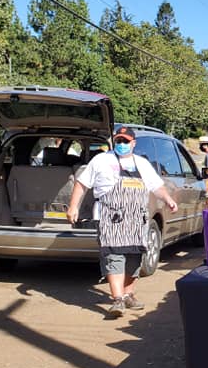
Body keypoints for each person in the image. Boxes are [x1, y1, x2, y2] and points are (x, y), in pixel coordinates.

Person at [67, 126, 178, 318]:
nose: (121, 144)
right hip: (110, 217)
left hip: (136, 219)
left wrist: (168, 200)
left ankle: (128, 295)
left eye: (125, 141)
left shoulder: (142, 163)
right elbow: (82, 183)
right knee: (114, 256)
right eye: (118, 141)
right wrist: (73, 206)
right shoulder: (101, 160)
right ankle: (117, 299)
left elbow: (157, 186)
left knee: (134, 257)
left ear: (133, 143)